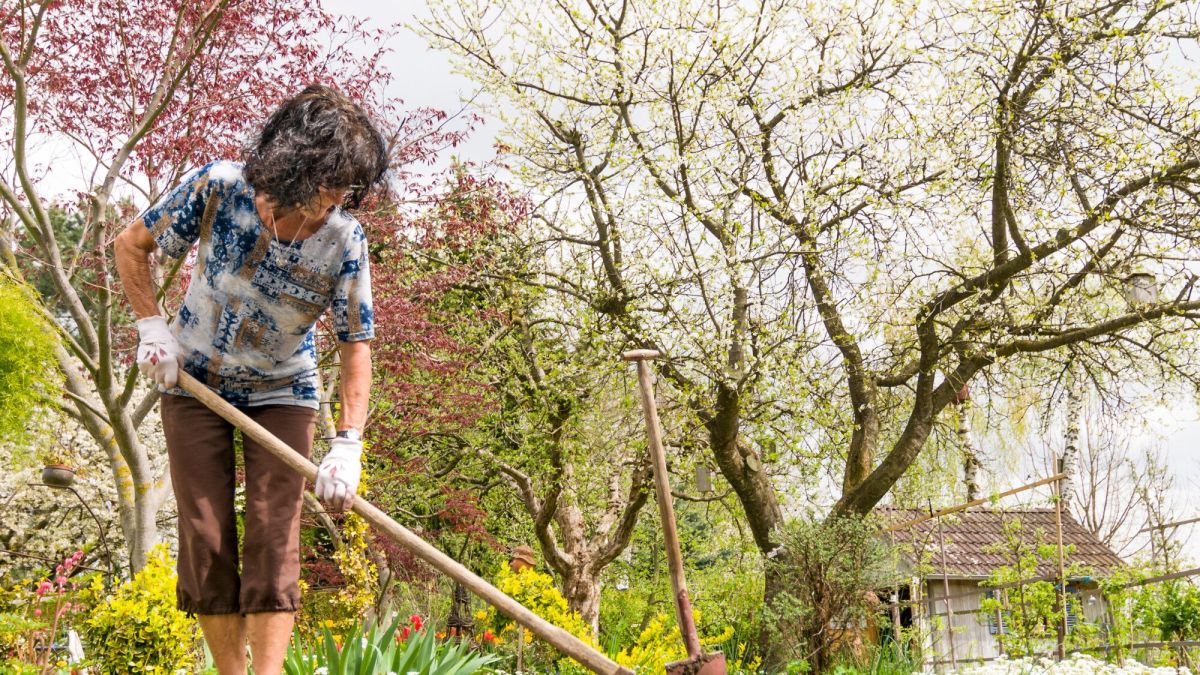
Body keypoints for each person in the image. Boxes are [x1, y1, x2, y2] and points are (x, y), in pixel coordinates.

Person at [114, 84, 388, 675]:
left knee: (272, 534)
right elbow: (132, 245)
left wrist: (349, 442)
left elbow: (354, 344)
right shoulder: (220, 187)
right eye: (331, 181)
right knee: (206, 536)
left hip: (283, 390)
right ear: (293, 162)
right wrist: (151, 329)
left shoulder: (344, 239)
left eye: (350, 187)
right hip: (193, 382)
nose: (340, 197)